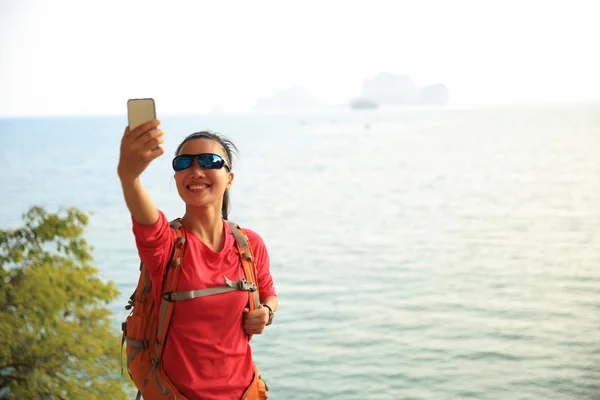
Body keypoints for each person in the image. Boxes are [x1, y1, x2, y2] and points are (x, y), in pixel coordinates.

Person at [117, 119, 278, 400]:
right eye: (183, 163)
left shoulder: (249, 244)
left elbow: (268, 293)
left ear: (229, 178)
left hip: (246, 393)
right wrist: (129, 178)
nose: (195, 170)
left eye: (209, 161)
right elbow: (146, 220)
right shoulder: (166, 246)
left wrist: (266, 312)